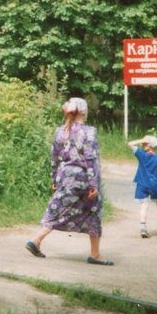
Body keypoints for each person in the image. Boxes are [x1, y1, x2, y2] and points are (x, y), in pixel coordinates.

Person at [25, 97, 113, 265]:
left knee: (58, 209)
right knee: (92, 210)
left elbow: (54, 157)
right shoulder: (89, 131)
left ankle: (36, 240)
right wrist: (94, 183)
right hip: (82, 178)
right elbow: (90, 158)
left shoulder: (60, 131)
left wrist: (54, 179)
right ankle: (95, 255)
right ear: (84, 112)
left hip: (64, 176)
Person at [127, 134, 157, 237]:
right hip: (153, 184)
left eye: (144, 144)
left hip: (142, 183)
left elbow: (130, 144)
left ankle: (143, 228)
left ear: (148, 145)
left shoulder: (141, 154)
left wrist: (141, 140)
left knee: (144, 205)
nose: (143, 145)